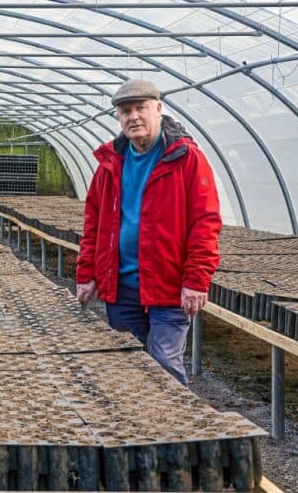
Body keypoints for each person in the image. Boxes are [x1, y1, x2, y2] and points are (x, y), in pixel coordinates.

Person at [75, 79, 221, 386]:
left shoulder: (186, 159)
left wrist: (196, 280)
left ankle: (178, 429)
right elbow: (93, 224)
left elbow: (205, 223)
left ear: (158, 109)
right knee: (134, 362)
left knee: (164, 363)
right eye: (125, 111)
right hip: (122, 285)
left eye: (141, 108)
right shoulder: (110, 164)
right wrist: (86, 273)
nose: (133, 117)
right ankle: (141, 426)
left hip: (168, 285)